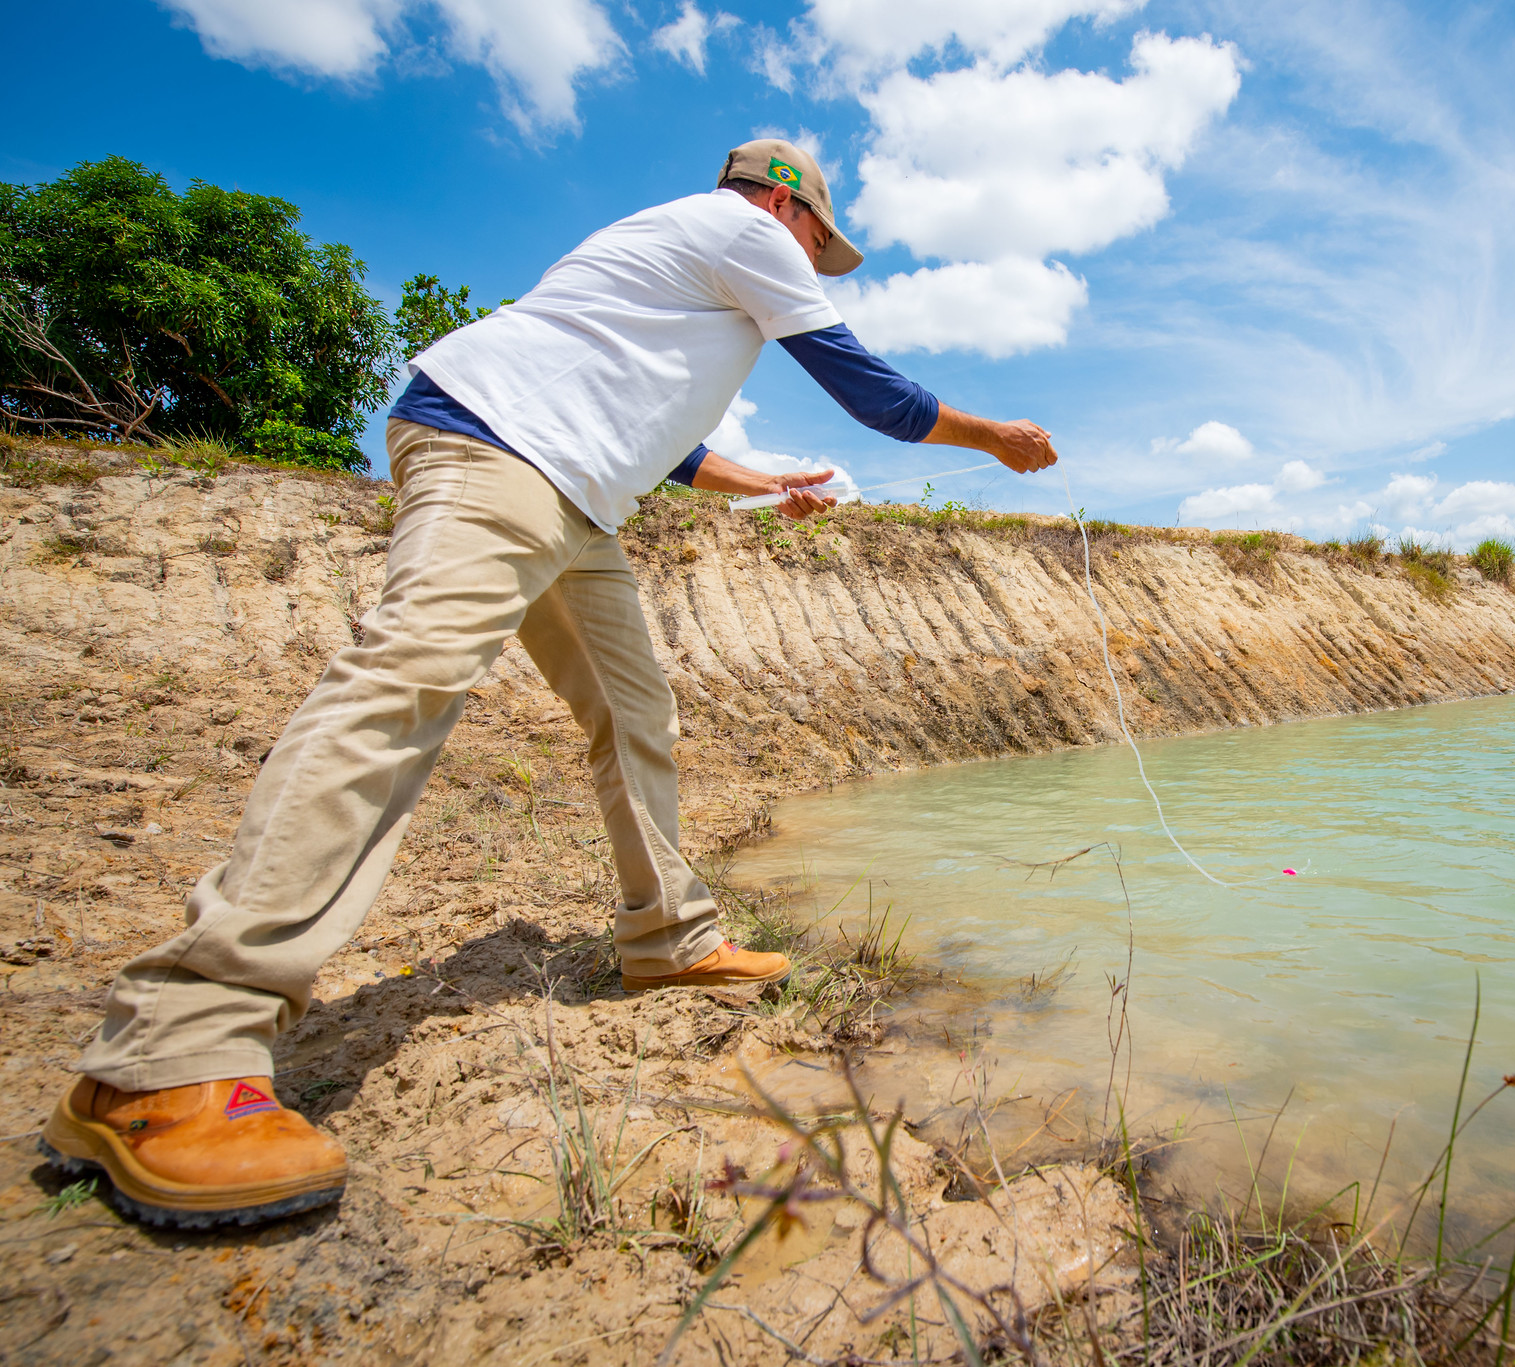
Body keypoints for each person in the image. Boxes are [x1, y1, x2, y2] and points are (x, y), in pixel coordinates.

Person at [40, 139, 1058, 1229]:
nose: (816, 257)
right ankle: (170, 1055)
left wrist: (764, 481)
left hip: (574, 493)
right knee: (404, 681)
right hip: (495, 451)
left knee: (634, 710)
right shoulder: (744, 231)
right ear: (783, 204)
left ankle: (670, 940)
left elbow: (667, 450)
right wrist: (990, 437)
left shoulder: (671, 263)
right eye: (820, 236)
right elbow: (874, 394)